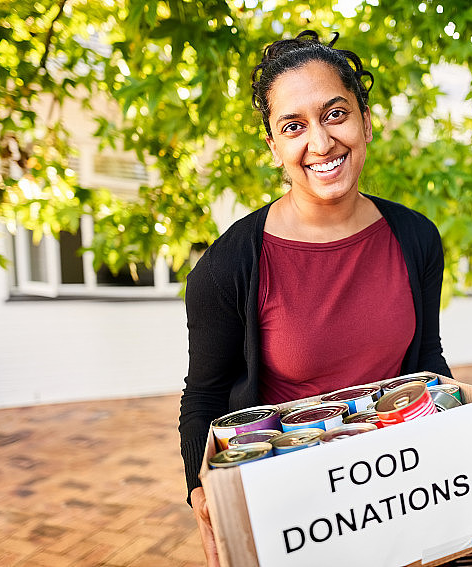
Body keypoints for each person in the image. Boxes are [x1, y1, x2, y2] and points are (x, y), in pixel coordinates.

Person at [178, 29, 452, 566]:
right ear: (274, 146)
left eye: (334, 114)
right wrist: (200, 490)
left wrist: (453, 439)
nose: (321, 144)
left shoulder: (416, 238)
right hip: (294, 513)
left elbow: (426, 360)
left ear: (365, 122)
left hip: (400, 494)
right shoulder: (228, 267)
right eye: (294, 126)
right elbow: (205, 398)